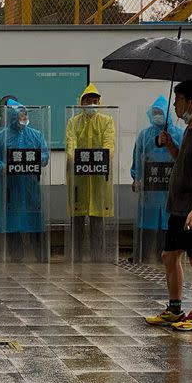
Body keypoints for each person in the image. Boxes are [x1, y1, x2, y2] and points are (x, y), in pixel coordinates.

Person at [147, 81, 192, 331]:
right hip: (178, 206)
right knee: (169, 255)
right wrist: (169, 145)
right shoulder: (190, 129)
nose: (175, 106)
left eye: (178, 100)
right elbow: (184, 162)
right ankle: (175, 309)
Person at [0, 99, 50, 262]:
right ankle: (16, 257)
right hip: (10, 187)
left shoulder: (36, 135)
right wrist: (3, 167)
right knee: (12, 221)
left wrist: (36, 161)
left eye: (25, 113)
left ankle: (41, 256)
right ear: (13, 116)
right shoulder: (0, 137)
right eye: (20, 114)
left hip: (30, 187)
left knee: (35, 220)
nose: (24, 116)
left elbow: (44, 155)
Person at [65, 83, 116, 261]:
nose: (92, 105)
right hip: (79, 179)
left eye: (95, 101)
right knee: (77, 220)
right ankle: (76, 256)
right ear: (82, 102)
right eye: (88, 101)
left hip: (98, 179)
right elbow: (70, 144)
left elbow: (109, 145)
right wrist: (75, 158)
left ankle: (98, 257)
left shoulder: (107, 121)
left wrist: (100, 157)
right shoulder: (73, 121)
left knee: (97, 220)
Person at [130, 95, 184, 263]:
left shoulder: (180, 133)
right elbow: (138, 156)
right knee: (147, 222)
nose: (157, 115)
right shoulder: (145, 135)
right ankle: (142, 254)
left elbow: (183, 156)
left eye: (160, 112)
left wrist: (169, 141)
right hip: (150, 188)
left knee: (167, 223)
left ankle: (166, 255)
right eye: (154, 112)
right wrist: (136, 177)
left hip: (170, 188)